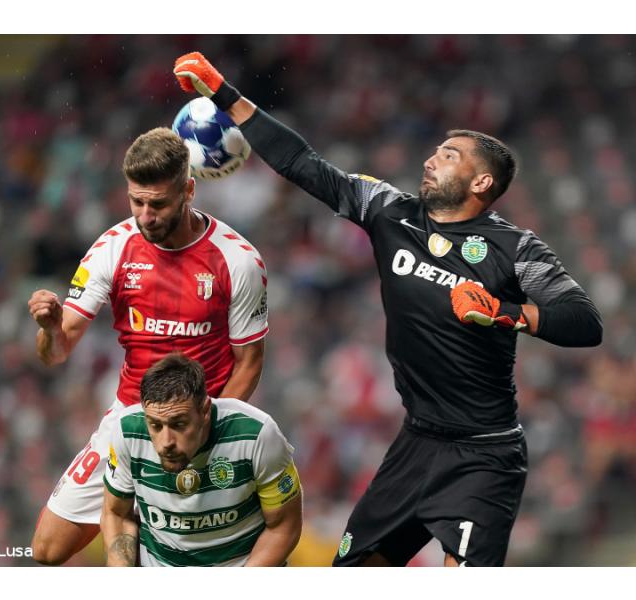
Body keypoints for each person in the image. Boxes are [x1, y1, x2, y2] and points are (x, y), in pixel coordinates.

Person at [173, 52, 603, 567]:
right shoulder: (388, 211)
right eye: (436, 151)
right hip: (416, 442)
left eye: (448, 156)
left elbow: (585, 322)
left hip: (485, 455)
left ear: (482, 183)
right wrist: (225, 93)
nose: (431, 159)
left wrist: (508, 312)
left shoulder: (516, 250)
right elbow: (304, 165)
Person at [27, 127, 269, 565]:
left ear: (189, 190)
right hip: (132, 418)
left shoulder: (237, 260)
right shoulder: (112, 248)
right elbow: (56, 352)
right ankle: (135, 510)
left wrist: (204, 435)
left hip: (199, 425)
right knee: (46, 548)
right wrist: (49, 329)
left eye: (158, 204)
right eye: (136, 202)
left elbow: (249, 363)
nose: (146, 216)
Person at [102, 352, 302, 566]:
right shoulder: (127, 432)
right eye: (155, 425)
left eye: (179, 424)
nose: (166, 441)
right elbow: (116, 514)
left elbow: (283, 527)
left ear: (205, 410)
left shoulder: (257, 435)